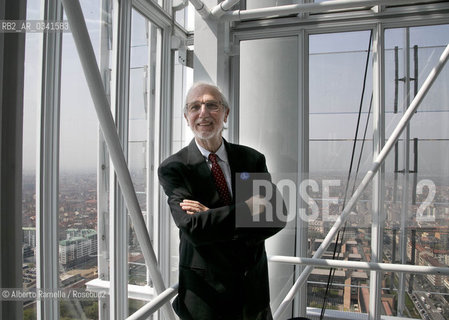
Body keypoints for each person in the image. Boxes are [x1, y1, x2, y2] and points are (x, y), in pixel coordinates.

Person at [158, 82, 286, 320]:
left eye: (211, 105)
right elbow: (193, 228)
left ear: (225, 113)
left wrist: (212, 216)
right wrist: (248, 212)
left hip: (253, 293)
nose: (203, 113)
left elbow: (275, 216)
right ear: (187, 117)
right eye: (195, 107)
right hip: (205, 299)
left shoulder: (251, 159)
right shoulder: (176, 168)